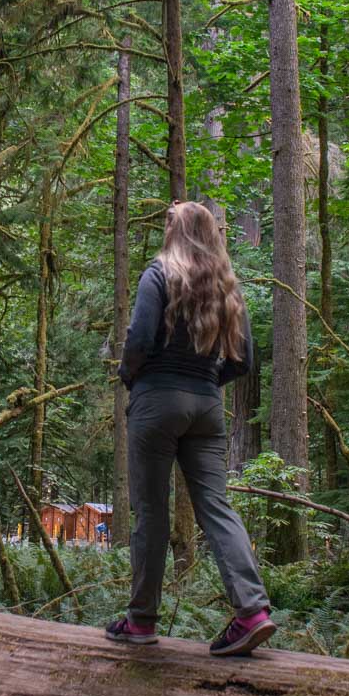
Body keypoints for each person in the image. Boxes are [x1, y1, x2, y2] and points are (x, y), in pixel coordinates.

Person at [106, 201, 276, 656]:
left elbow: (139, 340)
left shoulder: (158, 275)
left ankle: (141, 621)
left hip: (156, 401)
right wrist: (205, 382)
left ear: (176, 231)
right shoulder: (227, 286)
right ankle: (253, 611)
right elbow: (245, 361)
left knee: (151, 512)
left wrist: (130, 376)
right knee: (217, 508)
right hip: (206, 408)